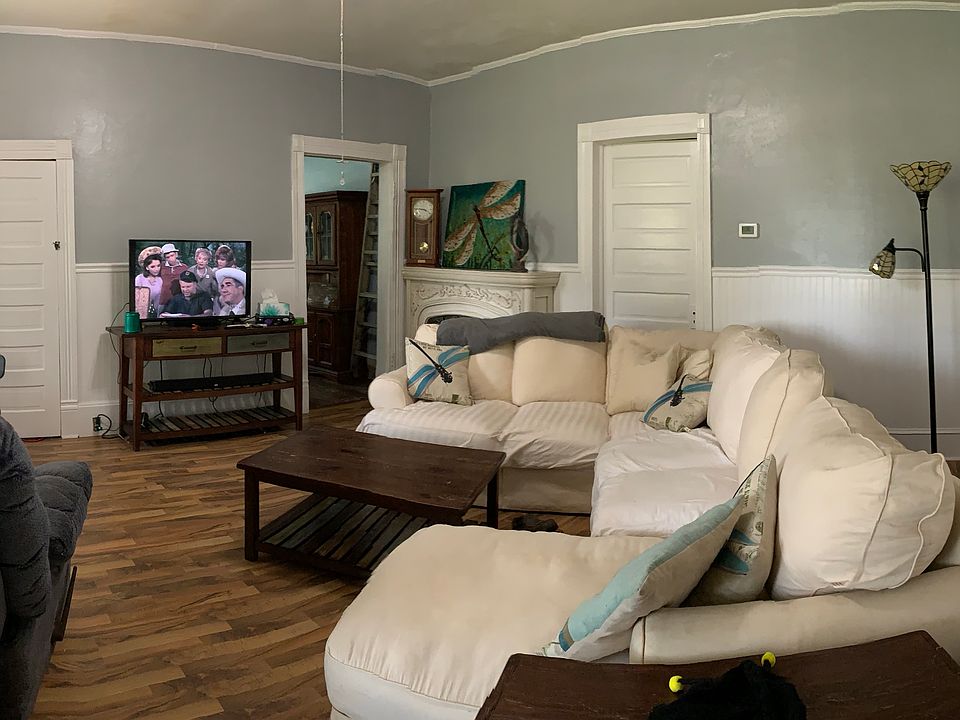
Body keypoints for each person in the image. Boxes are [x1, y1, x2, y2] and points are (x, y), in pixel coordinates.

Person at [134, 252, 163, 318]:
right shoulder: (139, 279)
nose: (156, 269)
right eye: (153, 266)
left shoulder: (160, 280)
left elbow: (159, 300)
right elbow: (137, 299)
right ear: (147, 267)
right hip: (140, 313)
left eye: (158, 266)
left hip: (155, 313)